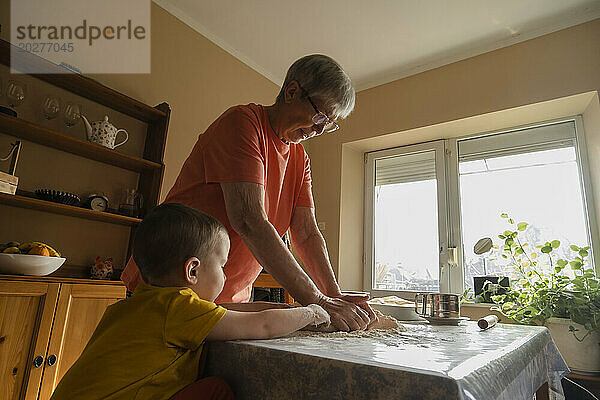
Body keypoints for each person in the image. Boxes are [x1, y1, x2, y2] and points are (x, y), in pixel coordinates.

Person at [122, 54, 375, 331]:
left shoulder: (300, 158)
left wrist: (334, 295)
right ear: (292, 92)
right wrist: (317, 300)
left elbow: (306, 232)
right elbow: (248, 219)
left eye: (329, 124)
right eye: (320, 116)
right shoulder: (243, 123)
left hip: (225, 301)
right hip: (169, 290)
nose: (319, 129)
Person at [50, 203, 330, 400]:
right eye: (222, 265)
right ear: (192, 270)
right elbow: (263, 325)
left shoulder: (144, 304)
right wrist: (313, 312)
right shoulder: (178, 306)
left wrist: (289, 309)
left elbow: (233, 312)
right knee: (216, 391)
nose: (226, 273)